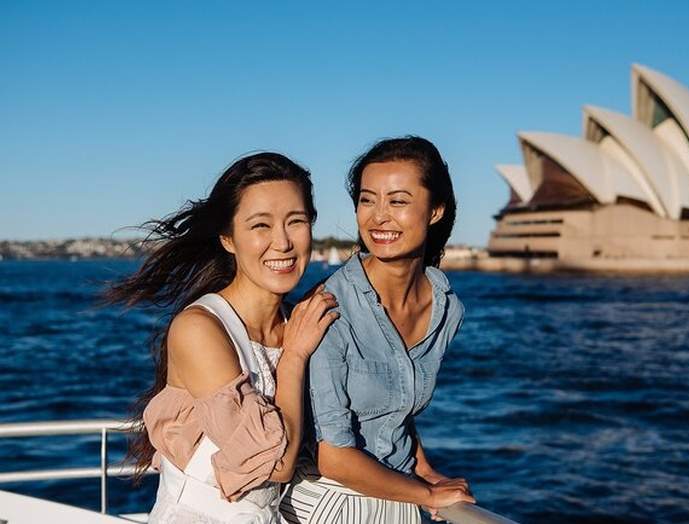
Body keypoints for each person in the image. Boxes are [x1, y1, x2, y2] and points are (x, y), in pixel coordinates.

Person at [104, 152, 338, 523]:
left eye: (296, 221)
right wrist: (293, 357)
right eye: (260, 225)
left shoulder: (297, 321)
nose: (282, 242)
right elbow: (274, 464)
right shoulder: (200, 328)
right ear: (228, 239)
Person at [280, 136, 475, 523]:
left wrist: (424, 468)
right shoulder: (328, 306)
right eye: (368, 200)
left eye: (398, 201)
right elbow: (331, 455)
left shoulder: (447, 307)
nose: (378, 216)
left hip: (400, 496)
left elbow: (394, 406)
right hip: (331, 502)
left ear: (435, 210)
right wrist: (427, 493)